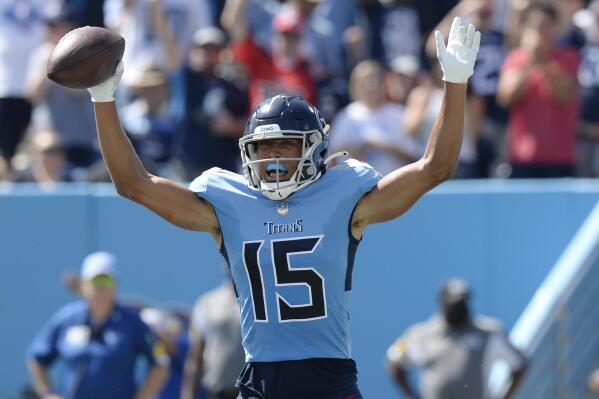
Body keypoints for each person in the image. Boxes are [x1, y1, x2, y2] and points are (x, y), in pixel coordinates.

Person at [86, 17, 480, 399]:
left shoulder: (344, 194)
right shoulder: (229, 200)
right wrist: (103, 99)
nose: (272, 157)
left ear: (312, 148)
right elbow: (133, 184)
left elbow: (435, 168)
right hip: (260, 381)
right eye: (263, 147)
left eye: (285, 145)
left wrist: (455, 83)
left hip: (329, 381)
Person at [26, 251, 169, 399]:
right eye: (95, 280)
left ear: (116, 284)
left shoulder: (132, 321)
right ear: (83, 284)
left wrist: (142, 397)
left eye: (107, 280)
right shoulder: (67, 319)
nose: (101, 287)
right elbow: (37, 357)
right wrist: (48, 394)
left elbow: (160, 363)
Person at [385, 278, 527, 399]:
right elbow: (394, 363)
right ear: (443, 305)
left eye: (462, 303)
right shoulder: (420, 335)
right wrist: (414, 396)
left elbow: (519, 364)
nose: (460, 308)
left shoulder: (488, 332)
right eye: (455, 305)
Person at [497, 3, 580, 178]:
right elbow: (506, 98)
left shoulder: (569, 58)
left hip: (560, 160)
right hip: (521, 160)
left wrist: (545, 63)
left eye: (545, 26)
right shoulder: (516, 59)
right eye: (535, 26)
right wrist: (530, 61)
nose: (540, 31)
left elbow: (565, 97)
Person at [182, 281, 245, 399]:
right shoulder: (207, 302)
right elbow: (196, 355)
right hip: (218, 392)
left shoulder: (262, 297)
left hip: (255, 391)